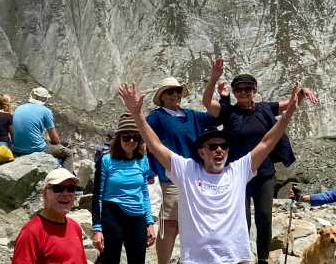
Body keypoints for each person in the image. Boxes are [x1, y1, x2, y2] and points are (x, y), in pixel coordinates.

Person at [118, 80, 303, 264]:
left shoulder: (238, 170)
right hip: (197, 260)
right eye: (213, 146)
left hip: (235, 259)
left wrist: (288, 115)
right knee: (170, 223)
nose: (219, 150)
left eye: (224, 146)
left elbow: (265, 142)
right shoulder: (187, 170)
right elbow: (155, 145)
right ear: (201, 152)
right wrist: (137, 114)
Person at [201, 57, 319, 264]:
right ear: (235, 92)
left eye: (248, 89)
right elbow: (206, 103)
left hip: (264, 173)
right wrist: (213, 80)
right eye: (239, 90)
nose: (244, 93)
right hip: (238, 175)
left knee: (264, 217)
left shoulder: (265, 108)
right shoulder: (229, 112)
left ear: (255, 90)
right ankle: (242, 257)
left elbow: (289, 104)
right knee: (240, 219)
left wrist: (303, 91)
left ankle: (263, 259)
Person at [145, 76, 218, 264]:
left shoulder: (192, 115)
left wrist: (223, 97)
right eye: (170, 91)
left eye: (178, 91)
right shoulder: (156, 117)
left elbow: (216, 117)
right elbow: (144, 142)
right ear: (162, 96)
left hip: (194, 177)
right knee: (169, 224)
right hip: (169, 177)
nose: (175, 95)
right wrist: (148, 169)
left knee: (191, 221)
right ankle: (164, 261)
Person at [92, 111, 156, 264]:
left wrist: (150, 222)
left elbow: (144, 192)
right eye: (126, 137)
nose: (131, 141)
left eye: (136, 137)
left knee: (138, 260)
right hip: (112, 215)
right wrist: (97, 228)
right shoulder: (106, 160)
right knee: (110, 259)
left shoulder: (143, 160)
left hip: (137, 217)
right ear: (119, 138)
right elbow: (97, 195)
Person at [12, 167, 87, 264]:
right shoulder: (31, 232)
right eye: (58, 189)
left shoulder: (75, 227)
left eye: (71, 189)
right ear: (44, 194)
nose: (66, 194)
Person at [12, 87, 73, 168]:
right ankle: (67, 179)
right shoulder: (46, 111)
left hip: (16, 148)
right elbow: (56, 141)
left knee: (45, 141)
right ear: (45, 99)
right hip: (35, 149)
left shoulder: (19, 108)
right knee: (68, 153)